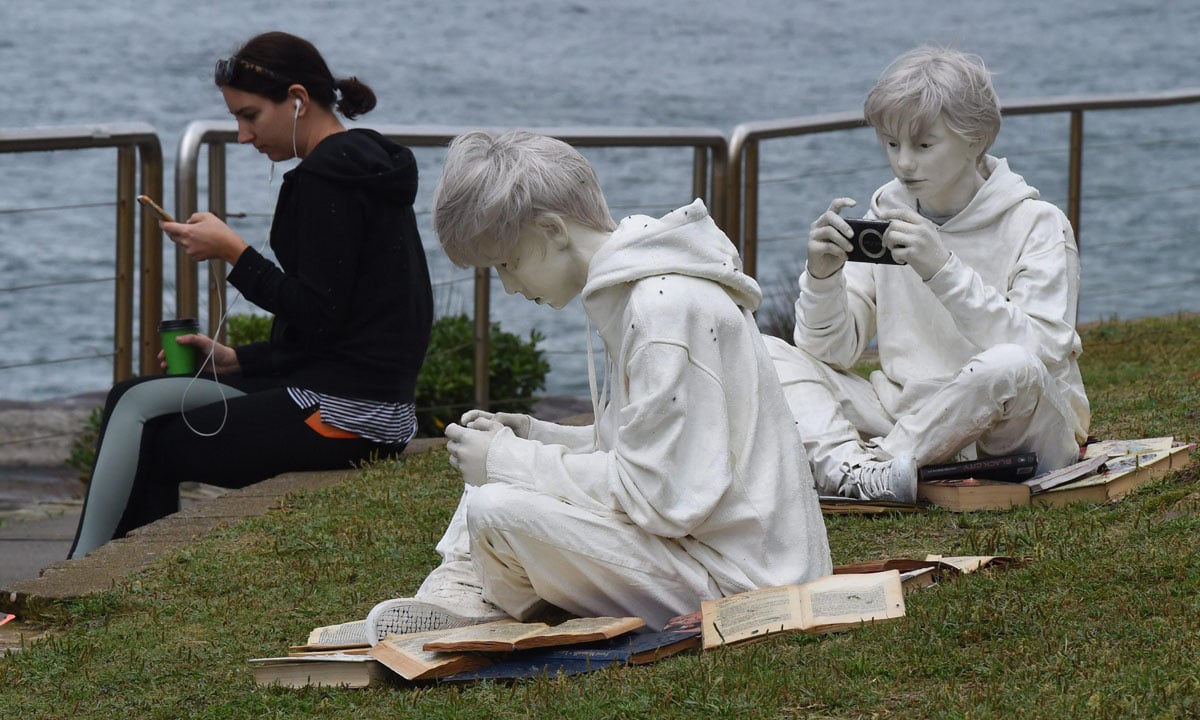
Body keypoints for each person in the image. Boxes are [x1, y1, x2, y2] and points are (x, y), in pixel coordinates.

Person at [363, 130, 831, 641]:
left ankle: (477, 594)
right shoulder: (643, 292)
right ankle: (465, 588)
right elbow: (641, 453)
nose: (510, 286)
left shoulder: (660, 312)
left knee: (495, 501)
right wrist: (533, 435)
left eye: (508, 262)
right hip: (719, 552)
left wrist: (507, 460)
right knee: (499, 469)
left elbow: (662, 496)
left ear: (552, 230)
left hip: (748, 580)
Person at [68, 31, 433, 558]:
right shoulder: (365, 166)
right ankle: (108, 578)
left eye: (250, 116)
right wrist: (241, 360)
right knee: (133, 397)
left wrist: (233, 252)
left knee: (153, 438)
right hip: (378, 405)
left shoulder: (327, 179)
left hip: (344, 412)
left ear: (298, 100)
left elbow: (319, 313)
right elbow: (349, 319)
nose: (242, 136)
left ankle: (81, 578)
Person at [764, 46, 1090, 503]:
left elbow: (1040, 353)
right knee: (764, 350)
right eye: (892, 144)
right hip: (905, 414)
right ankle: (852, 469)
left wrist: (943, 270)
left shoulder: (1038, 223)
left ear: (976, 138)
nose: (904, 163)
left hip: (1019, 433)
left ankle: (871, 470)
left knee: (1010, 364)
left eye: (923, 145)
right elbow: (829, 352)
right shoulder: (886, 215)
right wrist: (822, 279)